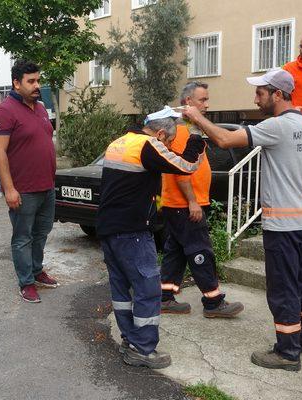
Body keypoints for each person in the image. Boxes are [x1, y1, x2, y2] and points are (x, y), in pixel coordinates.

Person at [183, 69, 302, 372]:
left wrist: (196, 117)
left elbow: (222, 140)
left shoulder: (277, 126)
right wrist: (301, 201)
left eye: (260, 93)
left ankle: (287, 352)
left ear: (277, 94)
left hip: (283, 227)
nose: (255, 99)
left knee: (283, 288)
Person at [97, 108, 206, 370]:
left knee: (122, 289)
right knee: (147, 288)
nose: (167, 147)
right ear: (159, 133)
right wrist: (196, 135)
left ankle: (129, 339)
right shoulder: (148, 144)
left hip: (109, 228)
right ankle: (142, 348)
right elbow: (186, 165)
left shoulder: (120, 142)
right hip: (132, 231)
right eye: (167, 142)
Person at [160, 82, 244, 318]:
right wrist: (193, 202)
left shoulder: (191, 128)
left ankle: (164, 298)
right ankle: (213, 302)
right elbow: (180, 170)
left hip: (179, 205)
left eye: (207, 100)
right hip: (184, 205)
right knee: (200, 251)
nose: (207, 105)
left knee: (175, 253)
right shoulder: (179, 130)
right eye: (202, 100)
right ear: (188, 102)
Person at [0, 60, 58, 303]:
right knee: (23, 237)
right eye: (31, 81)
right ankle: (26, 282)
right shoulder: (4, 111)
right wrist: (8, 189)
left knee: (42, 233)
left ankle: (37, 270)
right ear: (16, 83)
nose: (37, 85)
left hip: (46, 186)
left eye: (38, 80)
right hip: (23, 190)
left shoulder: (40, 107)